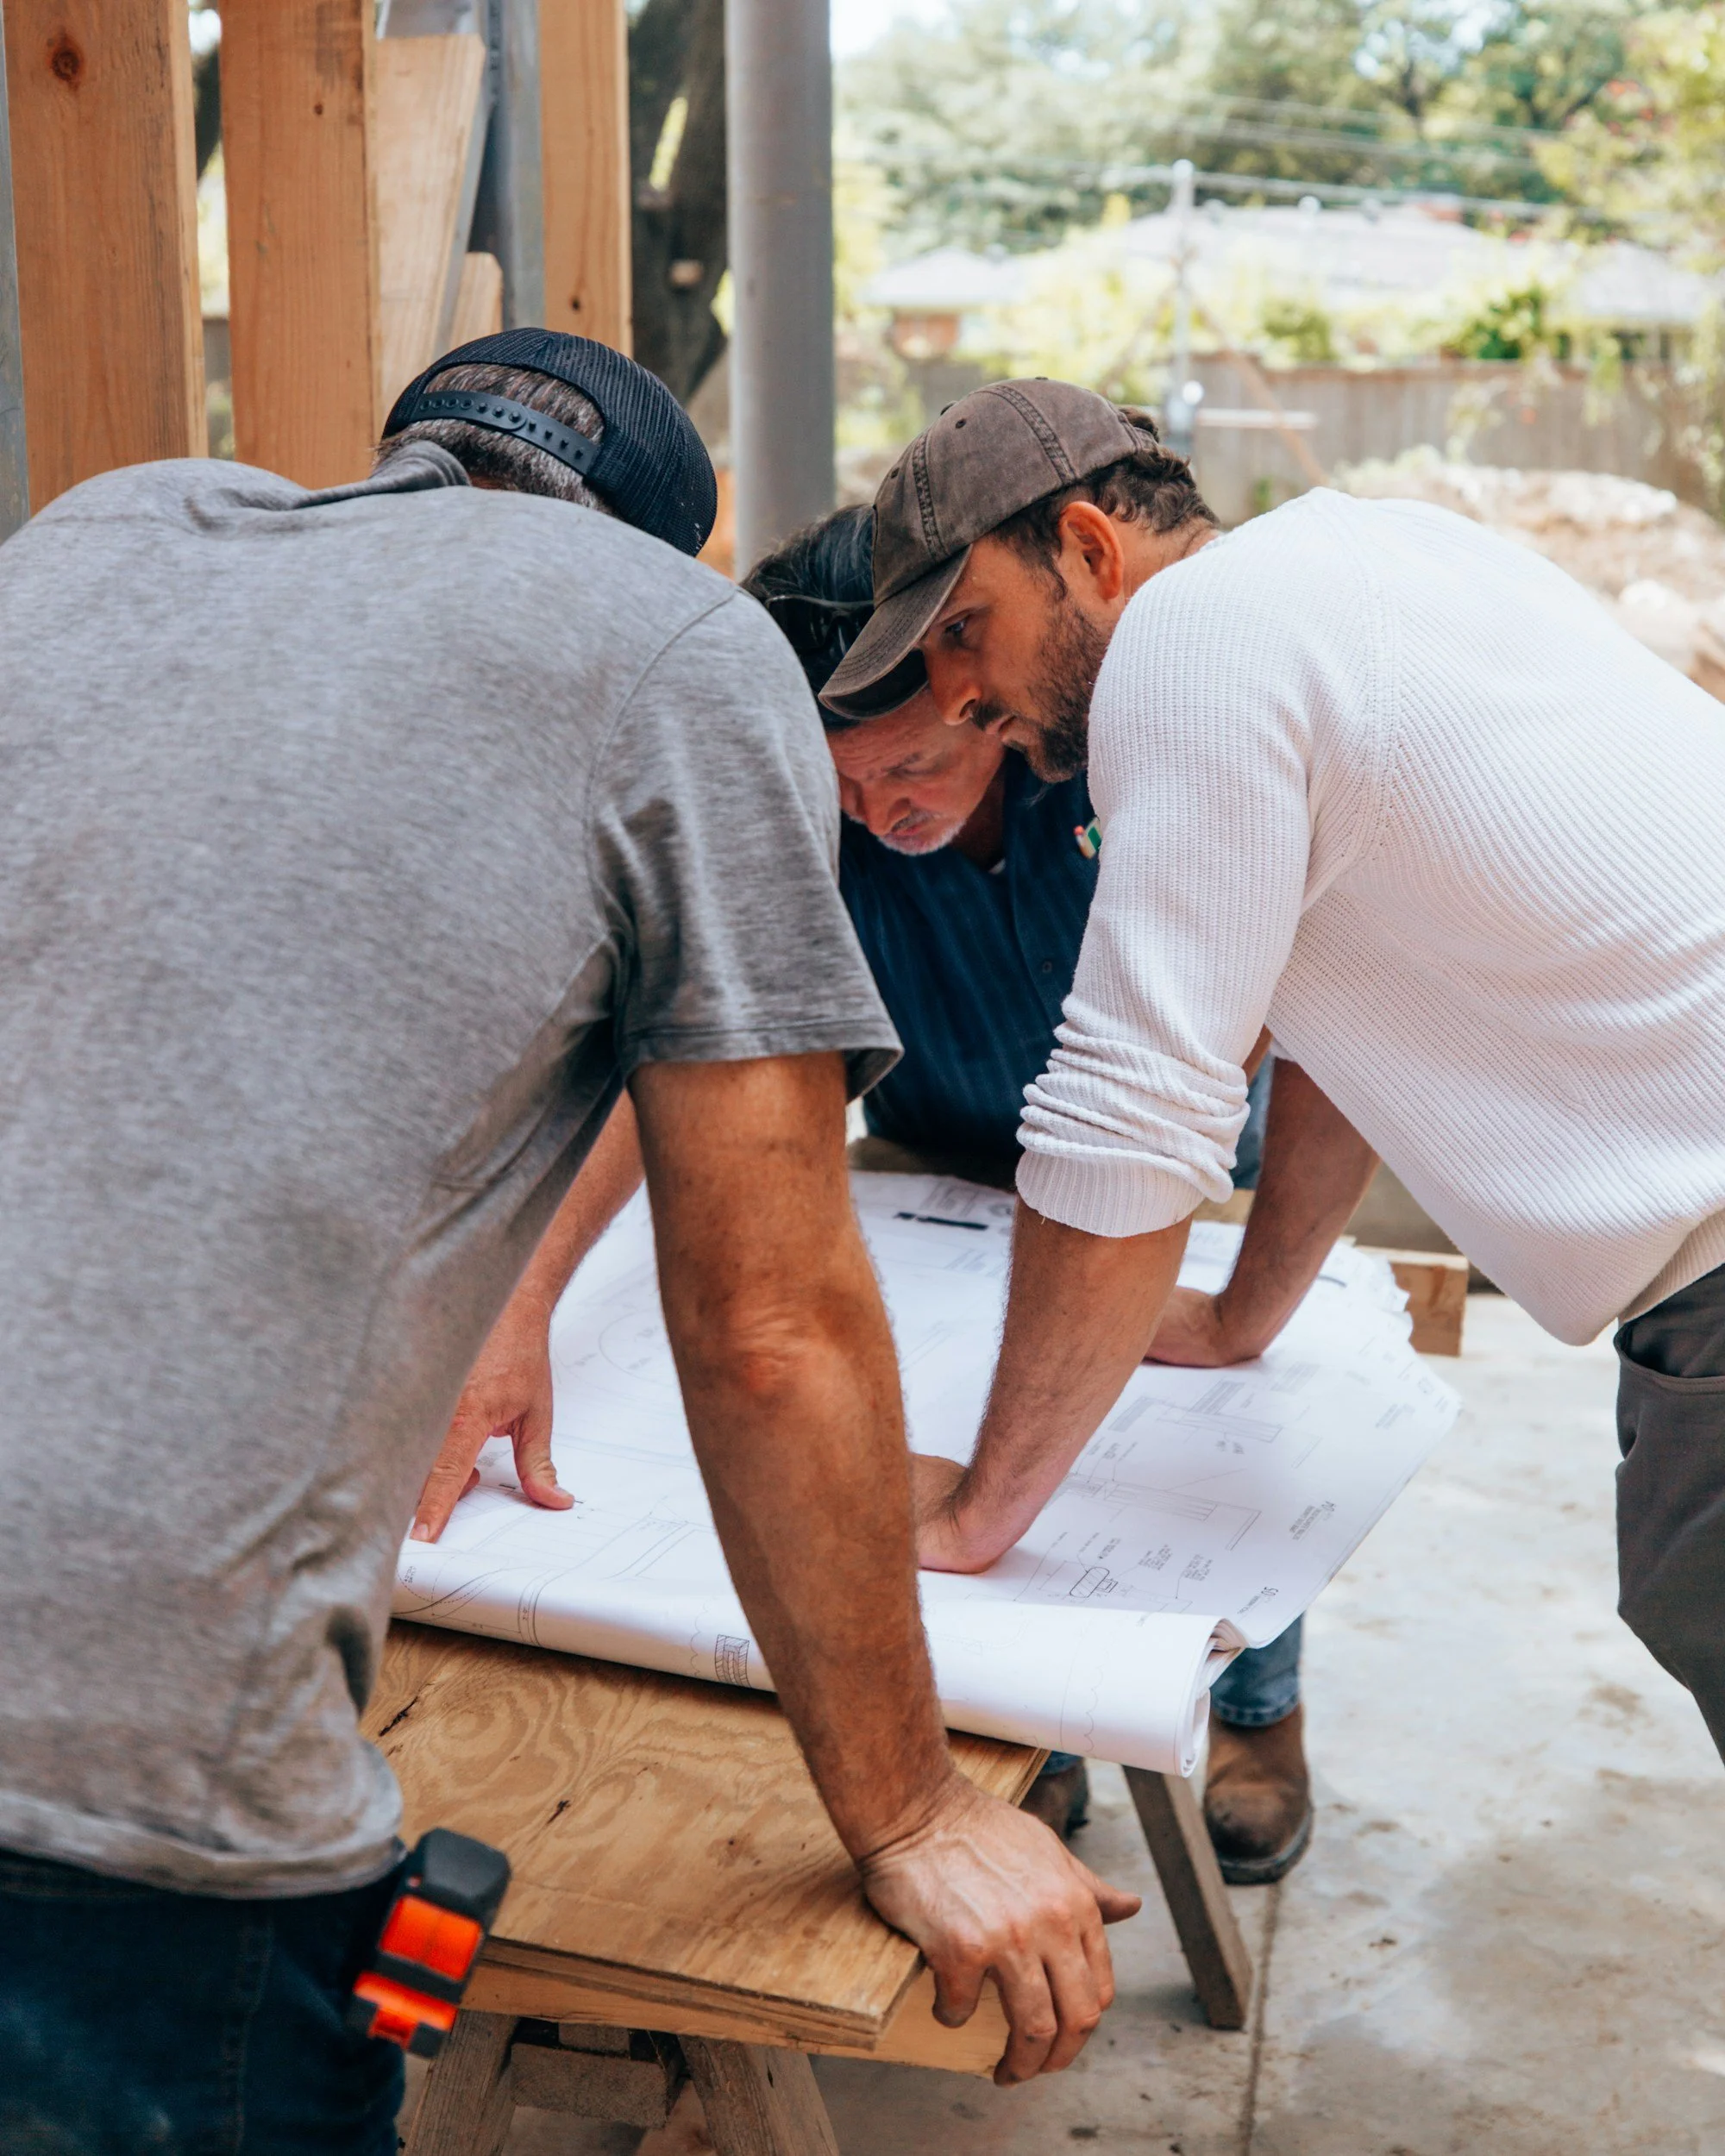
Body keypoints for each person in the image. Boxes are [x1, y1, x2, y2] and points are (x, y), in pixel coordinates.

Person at [0, 333, 1136, 2151]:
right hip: (121, 1791)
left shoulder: (93, 541)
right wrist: (915, 1811)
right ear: (652, 549)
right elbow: (769, 1323)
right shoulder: (670, 646)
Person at [819, 377, 1725, 1767]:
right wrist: (1244, 1316)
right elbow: (1326, 1040)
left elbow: (1133, 1112)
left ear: (1089, 548)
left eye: (967, 631)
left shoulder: (1189, 643)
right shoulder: (1381, 553)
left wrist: (974, 1515)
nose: (958, 692)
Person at [739, 505, 1310, 1885]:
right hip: (944, 1156)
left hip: (1179, 1167)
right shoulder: (830, 822)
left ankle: (1254, 1710)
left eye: (913, 766)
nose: (887, 814)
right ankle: (1037, 1742)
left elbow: (1308, 1028)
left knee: (1220, 1426)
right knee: (967, 1416)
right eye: (849, 790)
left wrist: (1248, 1295)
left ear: (972, 691)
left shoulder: (1119, 756)